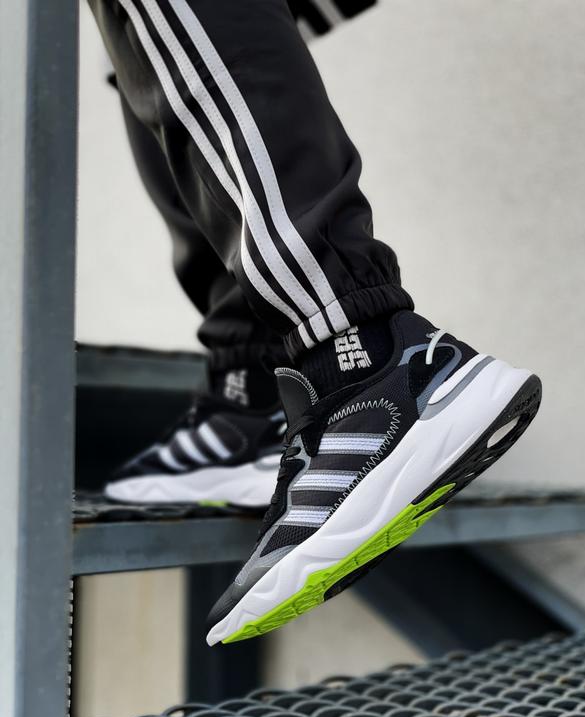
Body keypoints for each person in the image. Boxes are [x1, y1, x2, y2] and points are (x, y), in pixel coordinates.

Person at [90, 0, 542, 646]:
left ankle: (363, 361)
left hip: (356, 344)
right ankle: (250, 392)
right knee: (145, 42)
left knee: (170, 15)